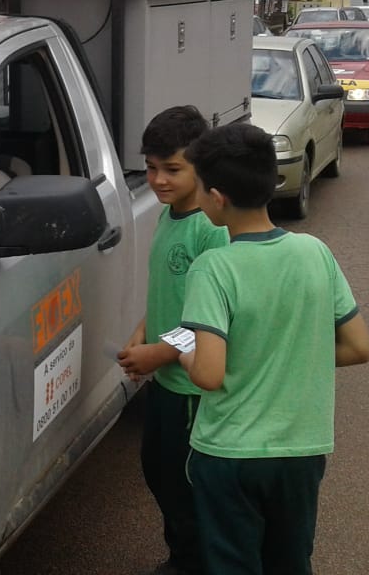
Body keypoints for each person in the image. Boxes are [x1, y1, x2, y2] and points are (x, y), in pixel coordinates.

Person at [177, 122, 369, 574]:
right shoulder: (315, 252)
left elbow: (209, 374)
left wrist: (185, 352)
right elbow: (359, 347)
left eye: (200, 188)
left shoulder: (213, 268)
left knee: (232, 562)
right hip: (301, 451)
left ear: (217, 198)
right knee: (290, 561)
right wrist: (288, 353)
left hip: (230, 452)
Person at [117, 105, 229, 575]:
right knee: (158, 469)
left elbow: (214, 318)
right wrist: (143, 331)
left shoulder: (211, 230)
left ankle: (196, 562)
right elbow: (171, 293)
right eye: (150, 168)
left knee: (184, 481)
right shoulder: (169, 216)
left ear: (200, 167)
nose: (158, 180)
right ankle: (183, 555)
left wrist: (158, 353)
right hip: (165, 378)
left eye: (172, 169)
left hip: (189, 386)